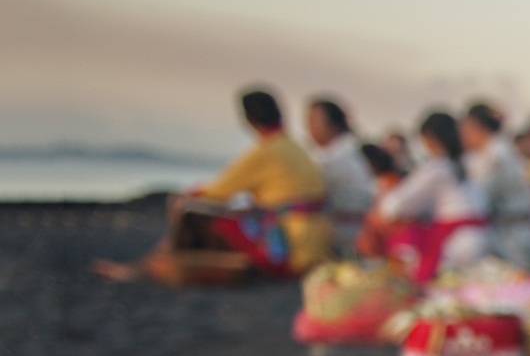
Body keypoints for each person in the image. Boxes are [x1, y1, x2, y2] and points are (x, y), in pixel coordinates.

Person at [94, 88, 329, 283]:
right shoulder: (296, 148)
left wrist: (185, 196)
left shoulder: (267, 151)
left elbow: (218, 192)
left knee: (190, 212)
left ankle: (147, 268)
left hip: (288, 247)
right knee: (217, 214)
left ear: (248, 119)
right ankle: (152, 265)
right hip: (314, 243)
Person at [368, 110, 488, 282]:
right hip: (482, 237)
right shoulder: (469, 162)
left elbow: (396, 206)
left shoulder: (438, 168)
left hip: (455, 245)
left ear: (429, 137)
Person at [462, 103, 530, 267]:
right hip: (503, 230)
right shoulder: (482, 154)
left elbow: (480, 196)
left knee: (517, 284)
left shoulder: (498, 153)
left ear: (478, 127)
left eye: (466, 129)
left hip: (513, 231)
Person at [305, 97, 372, 257]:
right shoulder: (347, 149)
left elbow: (309, 192)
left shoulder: (335, 157)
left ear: (333, 125)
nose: (309, 128)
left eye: (313, 121)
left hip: (346, 235)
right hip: (354, 230)